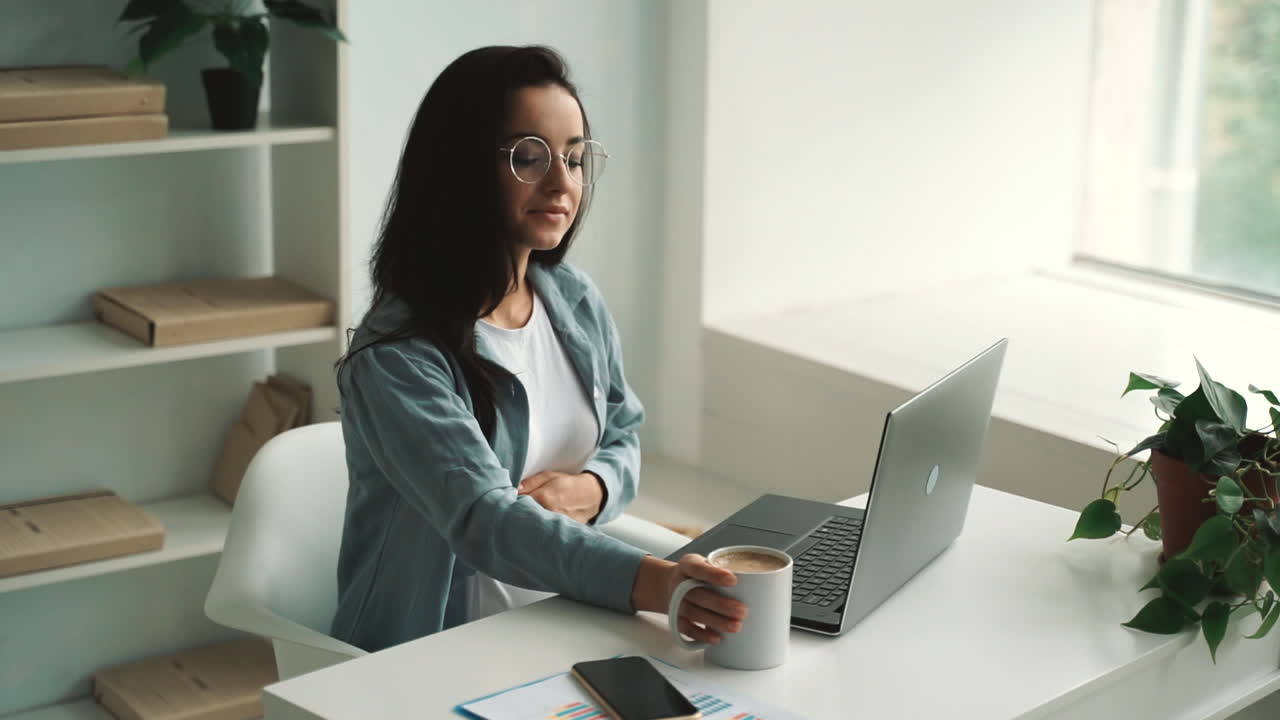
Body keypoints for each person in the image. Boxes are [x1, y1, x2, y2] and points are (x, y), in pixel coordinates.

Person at [331, 45, 746, 652]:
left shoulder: (571, 298)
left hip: (573, 621)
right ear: (459, 166)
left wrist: (596, 488)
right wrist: (659, 585)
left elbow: (624, 430)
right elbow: (485, 520)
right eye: (530, 156)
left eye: (575, 159)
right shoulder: (396, 357)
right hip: (445, 651)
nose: (562, 182)